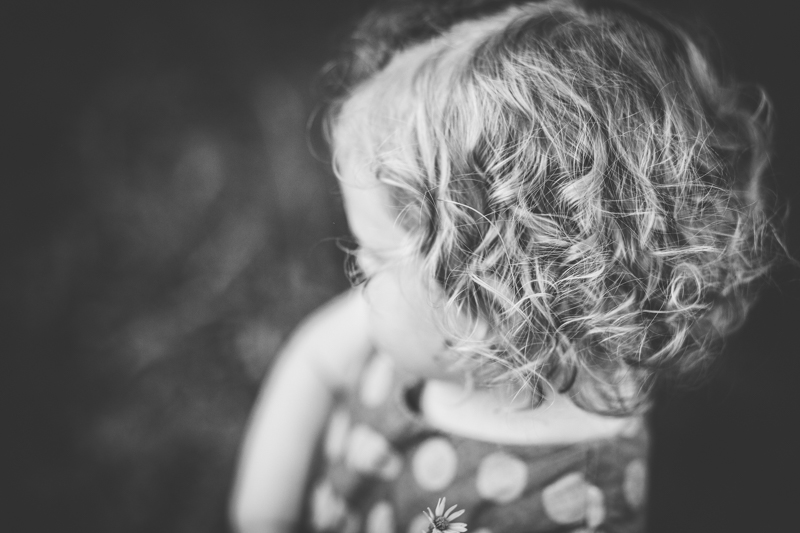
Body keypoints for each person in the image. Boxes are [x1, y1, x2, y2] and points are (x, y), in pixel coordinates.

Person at [230, 1, 781, 531]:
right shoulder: (420, 326)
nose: (356, 281)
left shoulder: (569, 504)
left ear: (486, 307)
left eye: (370, 261)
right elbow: (313, 364)